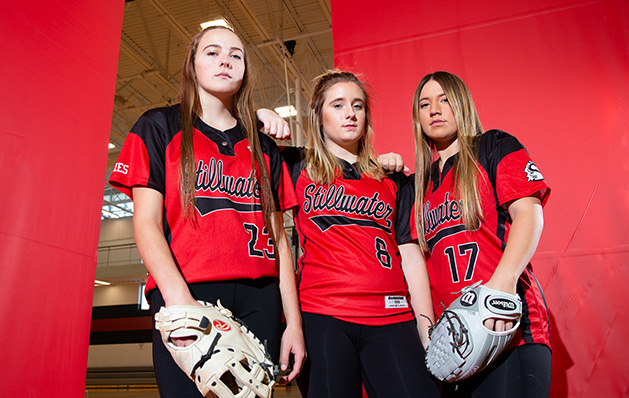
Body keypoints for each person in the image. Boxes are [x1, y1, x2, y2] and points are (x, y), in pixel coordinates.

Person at [108, 24, 305, 397]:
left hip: (259, 297)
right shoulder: (158, 126)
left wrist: (292, 323)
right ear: (192, 65)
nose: (225, 61)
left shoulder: (263, 147)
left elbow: (281, 240)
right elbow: (146, 224)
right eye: (212, 52)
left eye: (236, 55)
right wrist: (179, 303)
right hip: (187, 289)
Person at [384, 70, 552, 397]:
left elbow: (529, 214)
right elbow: (413, 260)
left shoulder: (494, 146)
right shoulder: (416, 186)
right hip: (457, 341)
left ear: (461, 103)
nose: (434, 109)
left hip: (512, 327)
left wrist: (500, 290)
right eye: (424, 104)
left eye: (444, 99)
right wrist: (426, 327)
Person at [280, 70, 440, 398]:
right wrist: (260, 117)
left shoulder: (393, 179)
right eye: (337, 105)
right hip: (323, 316)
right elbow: (237, 141)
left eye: (358, 105)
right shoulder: (296, 166)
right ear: (317, 114)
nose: (350, 113)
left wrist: (427, 330)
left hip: (391, 315)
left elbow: (410, 256)